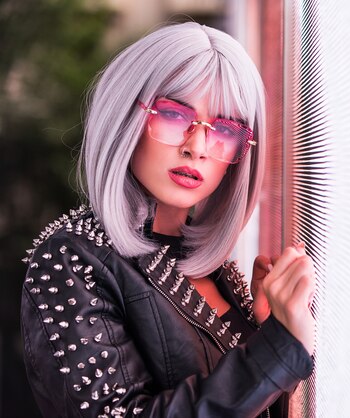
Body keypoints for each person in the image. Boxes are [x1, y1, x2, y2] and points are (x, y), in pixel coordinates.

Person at [20, 22, 315, 418]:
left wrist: (266, 332)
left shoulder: (213, 269)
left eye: (225, 129)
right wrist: (279, 349)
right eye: (174, 115)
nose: (196, 147)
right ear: (126, 117)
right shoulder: (71, 259)